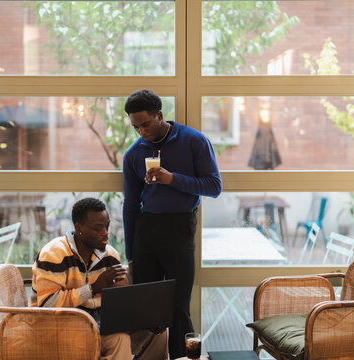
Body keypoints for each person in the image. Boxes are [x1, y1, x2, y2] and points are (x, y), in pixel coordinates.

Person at [122, 89, 222, 359]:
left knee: (179, 309)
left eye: (145, 124)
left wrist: (172, 179)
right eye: (135, 127)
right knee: (147, 310)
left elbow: (214, 187)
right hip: (147, 231)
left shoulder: (194, 141)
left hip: (180, 229)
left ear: (159, 115)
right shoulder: (133, 155)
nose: (141, 132)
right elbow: (130, 206)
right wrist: (130, 253)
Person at [32, 197, 167, 360]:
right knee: (120, 339)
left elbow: (121, 303)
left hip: (101, 322)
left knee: (157, 333)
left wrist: (141, 318)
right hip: (61, 326)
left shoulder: (110, 256)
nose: (105, 232)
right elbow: (47, 305)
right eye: (98, 228)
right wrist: (93, 288)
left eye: (107, 226)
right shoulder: (54, 254)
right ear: (79, 228)